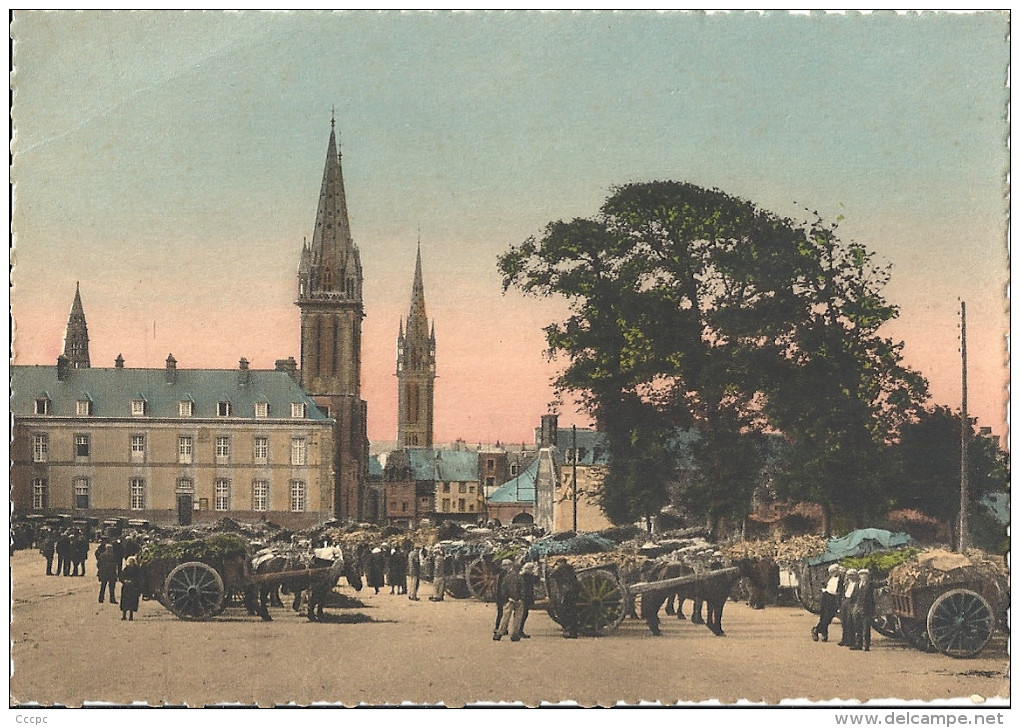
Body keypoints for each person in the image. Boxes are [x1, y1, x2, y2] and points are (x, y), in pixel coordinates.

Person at [547, 558, 580, 638]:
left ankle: (568, 631)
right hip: (574, 591)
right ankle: (573, 632)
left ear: (560, 562)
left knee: (566, 611)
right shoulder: (570, 567)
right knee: (573, 611)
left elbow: (552, 575)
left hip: (566, 592)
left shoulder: (561, 568)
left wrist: (554, 567)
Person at [812, 564, 845, 642]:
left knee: (829, 616)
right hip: (826, 597)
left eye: (835, 571)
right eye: (832, 572)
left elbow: (840, 590)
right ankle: (823, 632)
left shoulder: (841, 579)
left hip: (834, 598)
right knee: (824, 616)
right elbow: (824, 586)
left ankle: (816, 630)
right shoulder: (829, 579)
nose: (834, 573)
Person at [494, 562, 526, 641]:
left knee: (505, 617)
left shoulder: (507, 576)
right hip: (518, 600)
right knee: (517, 618)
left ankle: (499, 633)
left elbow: (503, 588)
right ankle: (514, 634)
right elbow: (523, 588)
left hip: (509, 599)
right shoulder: (520, 577)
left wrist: (508, 597)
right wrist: (520, 598)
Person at [851, 569, 875, 652]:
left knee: (866, 627)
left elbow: (879, 584)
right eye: (861, 575)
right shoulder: (857, 585)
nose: (863, 577)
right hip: (857, 606)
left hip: (866, 608)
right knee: (857, 626)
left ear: (867, 576)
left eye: (865, 575)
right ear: (859, 576)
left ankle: (866, 645)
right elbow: (854, 595)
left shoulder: (870, 584)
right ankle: (858, 644)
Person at [492, 558, 515, 639]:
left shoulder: (504, 573)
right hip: (503, 596)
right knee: (503, 613)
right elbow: (503, 587)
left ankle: (500, 629)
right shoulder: (504, 574)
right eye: (503, 565)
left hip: (502, 596)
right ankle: (499, 629)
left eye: (505, 565)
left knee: (502, 613)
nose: (503, 567)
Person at [838, 569, 860, 647]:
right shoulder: (847, 583)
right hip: (846, 601)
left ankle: (851, 641)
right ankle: (844, 639)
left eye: (851, 575)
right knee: (844, 622)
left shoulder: (857, 584)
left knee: (849, 622)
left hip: (851, 602)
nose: (849, 577)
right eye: (848, 575)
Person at [518, 561, 538, 639]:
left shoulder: (522, 575)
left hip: (523, 597)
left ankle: (518, 630)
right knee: (523, 614)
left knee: (522, 614)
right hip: (525, 597)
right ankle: (519, 631)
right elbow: (536, 580)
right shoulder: (527, 576)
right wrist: (536, 573)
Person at [119, 556, 142, 621]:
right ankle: (124, 615)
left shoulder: (136, 569)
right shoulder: (126, 569)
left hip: (133, 588)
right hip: (126, 588)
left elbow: (139, 578)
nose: (131, 563)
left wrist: (133, 581)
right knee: (124, 602)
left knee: (132, 602)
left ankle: (131, 616)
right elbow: (121, 577)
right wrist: (124, 581)